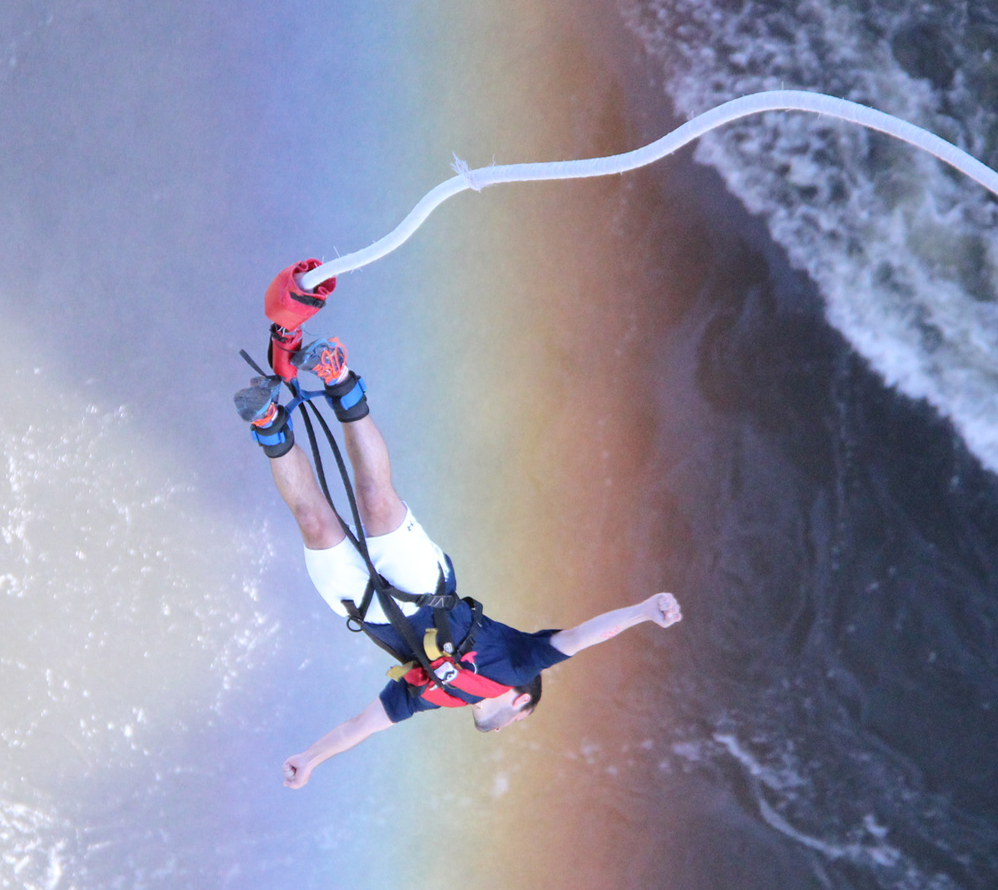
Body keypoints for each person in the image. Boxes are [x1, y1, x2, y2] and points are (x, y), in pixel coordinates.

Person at [236, 260, 684, 790]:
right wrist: (644, 611)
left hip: (362, 606)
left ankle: (268, 424)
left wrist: (310, 758)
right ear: (521, 703)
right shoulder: (521, 665)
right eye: (520, 720)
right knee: (376, 501)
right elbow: (583, 637)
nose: (508, 727)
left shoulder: (424, 698)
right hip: (424, 588)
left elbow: (362, 726)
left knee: (314, 521)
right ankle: (339, 381)